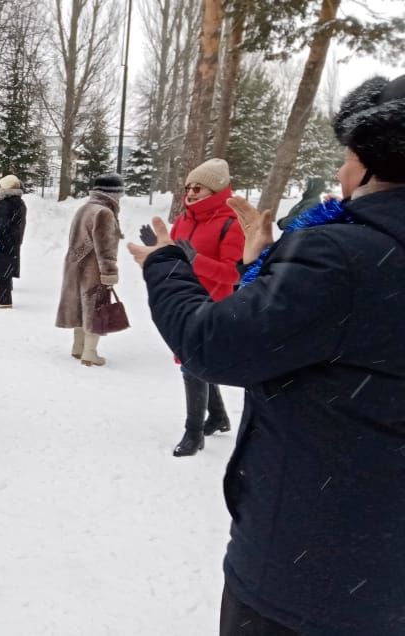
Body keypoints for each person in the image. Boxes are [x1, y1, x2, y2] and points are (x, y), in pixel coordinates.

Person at [127, 74, 405, 635]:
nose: (342, 172)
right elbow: (319, 328)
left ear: (375, 160)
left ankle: (203, 422)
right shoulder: (359, 258)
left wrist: (164, 264)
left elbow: (215, 343)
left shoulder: (345, 255)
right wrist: (267, 268)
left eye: (348, 157)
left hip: (313, 571)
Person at [163, 158, 243, 457]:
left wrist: (197, 261)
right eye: (189, 187)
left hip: (209, 306)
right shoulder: (184, 219)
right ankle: (219, 417)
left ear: (217, 190)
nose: (192, 193)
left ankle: (193, 433)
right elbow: (172, 253)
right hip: (180, 299)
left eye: (199, 188)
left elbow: (233, 273)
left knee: (191, 364)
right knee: (195, 363)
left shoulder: (230, 222)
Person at [56, 173, 124, 366]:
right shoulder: (104, 212)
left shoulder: (85, 208)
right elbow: (105, 247)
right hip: (92, 267)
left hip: (74, 264)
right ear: (114, 193)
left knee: (79, 305)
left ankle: (78, 347)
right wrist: (109, 272)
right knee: (96, 308)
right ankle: (90, 352)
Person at [0, 174, 27, 309]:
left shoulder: (4, 203)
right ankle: (5, 296)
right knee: (6, 269)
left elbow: (1, 223)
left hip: (3, 240)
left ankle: (4, 300)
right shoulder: (18, 202)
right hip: (12, 240)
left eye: (1, 185)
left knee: (3, 270)